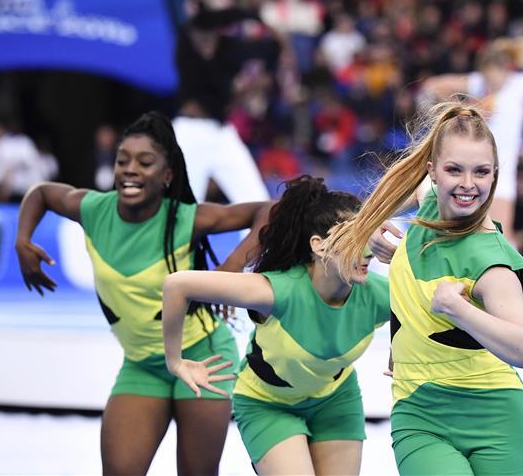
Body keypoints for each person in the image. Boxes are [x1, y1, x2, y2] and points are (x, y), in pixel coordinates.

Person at [15, 111, 271, 476]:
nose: (130, 169)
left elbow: (269, 210)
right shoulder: (93, 209)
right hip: (142, 365)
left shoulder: (184, 219)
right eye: (123, 161)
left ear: (167, 176)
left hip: (204, 358)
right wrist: (22, 240)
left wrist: (230, 270)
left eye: (145, 162)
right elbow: (41, 193)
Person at [325, 102, 523, 476]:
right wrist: (375, 232)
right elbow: (403, 187)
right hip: (418, 413)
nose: (468, 184)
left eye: (481, 172)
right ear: (433, 171)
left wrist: (462, 310)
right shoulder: (431, 203)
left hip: (497, 417)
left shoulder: (491, 259)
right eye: (454, 170)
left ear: (495, 176)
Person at [162, 175, 390, 476]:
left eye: (367, 234)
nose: (366, 249)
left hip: (336, 400)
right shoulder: (277, 290)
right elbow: (177, 285)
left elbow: (432, 303)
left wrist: (397, 343)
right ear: (318, 246)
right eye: (353, 237)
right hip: (267, 403)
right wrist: (175, 361)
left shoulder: (378, 292)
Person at [421, 34, 523, 236]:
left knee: (500, 234)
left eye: (493, 78)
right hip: (473, 168)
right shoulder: (477, 83)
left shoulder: (520, 84)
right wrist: (466, 107)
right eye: (486, 77)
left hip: (504, 171)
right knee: (465, 230)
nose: (489, 83)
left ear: (506, 70)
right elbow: (432, 85)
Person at [173, 1, 280, 204]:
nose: (205, 42)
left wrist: (260, 20)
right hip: (188, 131)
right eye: (200, 35)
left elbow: (273, 48)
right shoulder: (185, 48)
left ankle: (258, 236)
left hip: (221, 131)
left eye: (210, 35)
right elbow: (203, 21)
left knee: (256, 201)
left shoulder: (228, 49)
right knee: (181, 206)